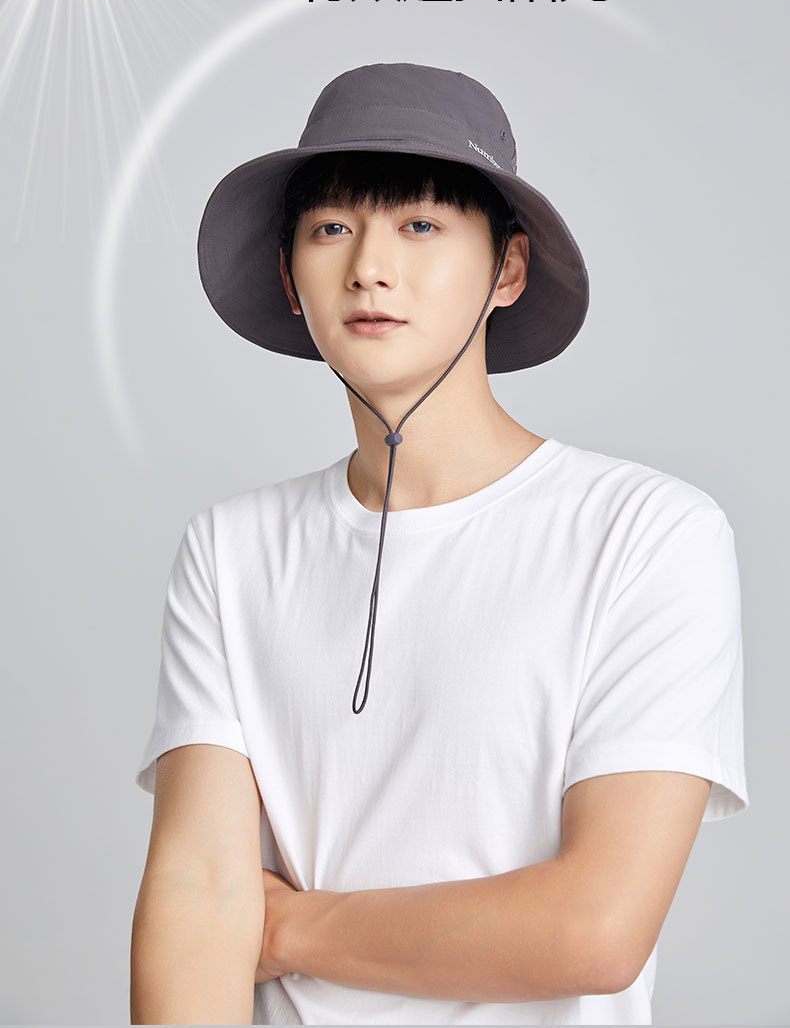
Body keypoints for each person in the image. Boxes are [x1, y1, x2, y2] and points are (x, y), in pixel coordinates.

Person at [131, 63, 749, 1026]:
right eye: (330, 229)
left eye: (420, 224)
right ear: (290, 279)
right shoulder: (231, 550)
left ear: (508, 269)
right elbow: (194, 895)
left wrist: (286, 929)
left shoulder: (646, 533)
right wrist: (223, 921)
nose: (368, 267)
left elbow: (593, 929)